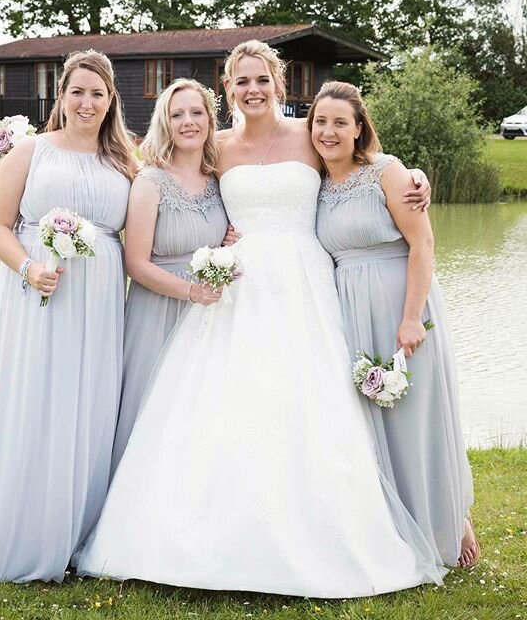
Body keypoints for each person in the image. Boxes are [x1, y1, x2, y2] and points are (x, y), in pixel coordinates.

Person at [76, 40, 446, 597]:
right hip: (240, 287)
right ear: (227, 89)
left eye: (262, 80)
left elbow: (368, 162)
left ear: (279, 82)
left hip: (306, 282)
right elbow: (166, 176)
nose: (252, 90)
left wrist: (414, 174)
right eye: (241, 81)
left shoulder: (311, 135)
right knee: (224, 401)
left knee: (310, 400)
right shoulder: (215, 147)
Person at [0, 50, 138, 585]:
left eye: (97, 93)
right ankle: (23, 536)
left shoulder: (125, 161)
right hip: (37, 293)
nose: (87, 102)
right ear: (60, 96)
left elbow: (163, 210)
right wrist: (29, 268)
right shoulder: (31, 152)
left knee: (90, 407)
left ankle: (79, 536)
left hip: (100, 301)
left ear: (111, 101)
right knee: (36, 402)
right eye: (77, 91)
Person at [311, 81, 479, 568]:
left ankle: (450, 523)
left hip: (401, 302)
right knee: (374, 422)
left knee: (419, 416)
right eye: (320, 122)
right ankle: (394, 529)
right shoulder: (316, 186)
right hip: (349, 311)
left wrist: (410, 318)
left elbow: (423, 245)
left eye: (340, 122)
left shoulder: (388, 173)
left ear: (359, 128)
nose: (329, 131)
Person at [111, 79, 228, 474]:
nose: (188, 122)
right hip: (158, 312)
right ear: (165, 122)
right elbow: (136, 263)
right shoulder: (150, 181)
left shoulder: (219, 181)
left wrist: (230, 242)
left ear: (210, 120)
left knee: (199, 416)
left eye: (196, 113)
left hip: (207, 318)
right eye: (177, 115)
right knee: (151, 412)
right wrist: (191, 291)